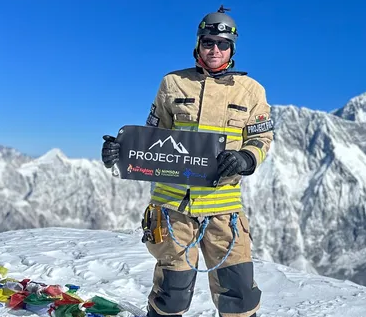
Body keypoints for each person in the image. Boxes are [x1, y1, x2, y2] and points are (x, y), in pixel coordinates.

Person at [101, 6, 273, 317]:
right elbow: (152, 137)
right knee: (172, 292)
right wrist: (120, 151)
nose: (215, 50)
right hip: (172, 210)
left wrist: (244, 158)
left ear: (232, 48)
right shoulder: (172, 84)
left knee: (240, 294)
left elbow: (262, 139)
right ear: (198, 44)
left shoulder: (252, 92)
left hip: (224, 211)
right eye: (209, 42)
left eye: (222, 44)